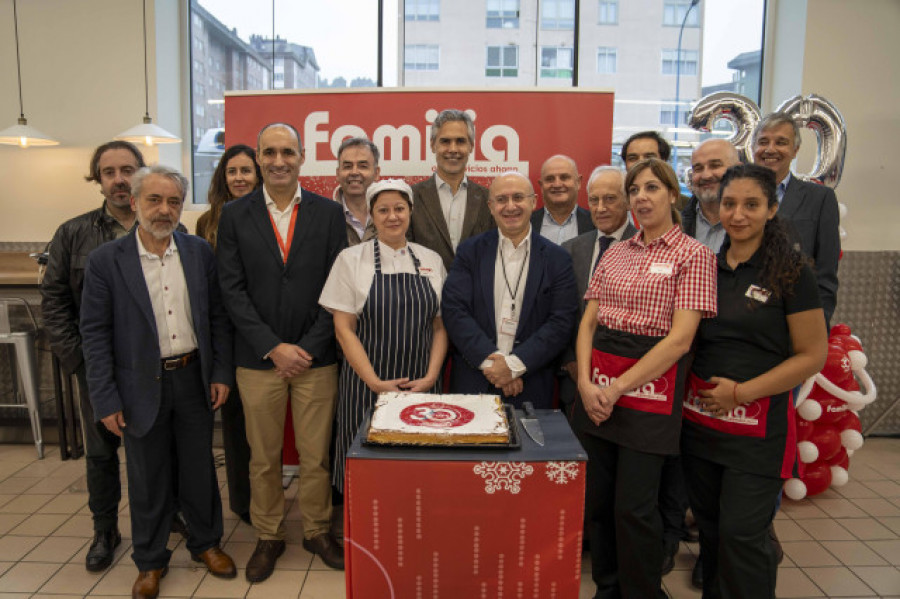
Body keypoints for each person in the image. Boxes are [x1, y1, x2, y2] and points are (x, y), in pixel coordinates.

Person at [80, 165, 237, 599]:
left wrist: (220, 372)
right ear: (134, 202)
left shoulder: (198, 252)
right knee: (147, 476)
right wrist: (105, 399)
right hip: (137, 386)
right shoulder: (106, 262)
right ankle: (150, 561)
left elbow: (218, 318)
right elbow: (93, 335)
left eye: (173, 201)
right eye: (154, 199)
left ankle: (206, 543)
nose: (164, 210)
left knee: (199, 469)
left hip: (193, 378)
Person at [681, 163, 827, 598]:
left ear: (772, 208)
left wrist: (741, 393)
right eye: (729, 203)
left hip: (758, 433)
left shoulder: (792, 272)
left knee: (743, 536)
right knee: (711, 534)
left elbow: (812, 355)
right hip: (701, 427)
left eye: (751, 204)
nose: (737, 214)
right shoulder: (704, 266)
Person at [574, 158, 717, 599]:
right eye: (635, 190)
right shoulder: (616, 250)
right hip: (597, 386)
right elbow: (588, 323)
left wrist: (618, 387)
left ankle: (640, 591)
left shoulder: (694, 255)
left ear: (673, 195)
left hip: (651, 387)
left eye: (652, 188)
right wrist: (584, 382)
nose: (641, 198)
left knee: (634, 507)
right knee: (598, 502)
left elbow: (679, 341)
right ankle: (608, 587)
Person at [216, 122, 347, 580]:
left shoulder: (329, 215)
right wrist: (273, 347)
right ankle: (269, 535)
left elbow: (338, 287)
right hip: (257, 361)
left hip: (315, 359)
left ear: (302, 156)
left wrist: (306, 348)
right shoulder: (234, 215)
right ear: (258, 157)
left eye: (287, 152)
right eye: (269, 152)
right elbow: (230, 290)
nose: (278, 161)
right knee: (263, 458)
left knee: (316, 456)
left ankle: (315, 530)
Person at [41, 141, 149, 572]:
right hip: (98, 366)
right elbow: (53, 299)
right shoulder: (73, 233)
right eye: (110, 172)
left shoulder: (162, 224)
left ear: (141, 173)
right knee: (102, 453)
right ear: (98, 179)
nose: (120, 179)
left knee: (159, 449)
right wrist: (79, 361)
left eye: (127, 170)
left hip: (153, 366)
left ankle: (169, 513)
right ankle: (105, 529)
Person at [320, 179, 448, 491]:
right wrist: (374, 382)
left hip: (421, 385)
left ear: (410, 212)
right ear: (372, 215)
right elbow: (343, 329)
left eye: (399, 209)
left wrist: (431, 377)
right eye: (383, 210)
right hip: (365, 387)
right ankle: (365, 534)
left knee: (417, 469)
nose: (393, 216)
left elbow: (440, 326)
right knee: (366, 470)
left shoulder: (431, 259)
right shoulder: (351, 260)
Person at [442, 171, 577, 408]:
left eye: (518, 197)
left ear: (534, 202)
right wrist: (494, 366)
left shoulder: (558, 259)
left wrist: (515, 366)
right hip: (474, 382)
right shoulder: (469, 252)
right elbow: (454, 310)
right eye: (502, 200)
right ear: (491, 206)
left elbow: (561, 321)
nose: (510, 206)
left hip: (530, 384)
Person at [195, 143, 262, 525]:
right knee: (235, 426)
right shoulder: (207, 223)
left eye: (246, 171)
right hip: (225, 335)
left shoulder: (271, 217)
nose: (239, 178)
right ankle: (243, 501)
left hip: (260, 333)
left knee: (263, 432)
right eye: (232, 171)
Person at [560, 166, 636, 415]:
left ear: (627, 202)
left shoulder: (646, 247)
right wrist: (571, 361)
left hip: (629, 382)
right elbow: (561, 312)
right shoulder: (570, 249)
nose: (601, 207)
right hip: (574, 380)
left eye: (610, 199)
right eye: (594, 199)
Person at [752, 112, 840, 327]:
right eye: (763, 142)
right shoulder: (734, 196)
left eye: (781, 142)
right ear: (754, 148)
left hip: (795, 319)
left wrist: (817, 328)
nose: (770, 149)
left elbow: (826, 275)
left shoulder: (820, 199)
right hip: (742, 317)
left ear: (795, 150)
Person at [409, 109, 494, 271]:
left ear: (471, 146)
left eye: (460, 141)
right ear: (433, 145)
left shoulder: (488, 199)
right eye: (445, 141)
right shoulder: (411, 197)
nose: (453, 149)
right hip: (426, 294)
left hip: (475, 295)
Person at [682, 138, 741, 252]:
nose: (706, 175)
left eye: (715, 166)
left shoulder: (757, 224)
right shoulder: (674, 225)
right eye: (698, 169)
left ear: (738, 169)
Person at [531, 154, 593, 245]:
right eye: (550, 179)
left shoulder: (594, 223)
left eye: (564, 177)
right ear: (541, 186)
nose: (557, 184)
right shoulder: (526, 224)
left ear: (578, 182)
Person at [333, 136, 380, 246]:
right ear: (338, 173)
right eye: (347, 166)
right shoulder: (325, 217)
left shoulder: (390, 216)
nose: (354, 172)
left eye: (363, 166)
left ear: (376, 173)